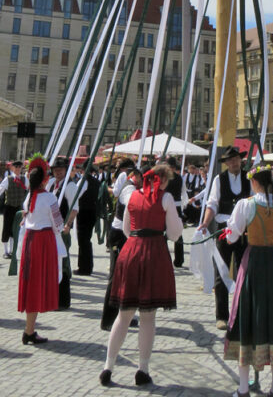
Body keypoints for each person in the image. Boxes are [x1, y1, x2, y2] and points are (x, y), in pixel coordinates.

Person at [224, 164, 273, 397]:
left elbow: (232, 236)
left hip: (255, 263)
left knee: (247, 316)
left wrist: (228, 232)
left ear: (254, 182)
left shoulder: (246, 204)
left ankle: (242, 388)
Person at [100, 162, 182, 387]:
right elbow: (175, 234)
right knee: (147, 316)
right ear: (163, 180)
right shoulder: (165, 198)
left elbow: (126, 229)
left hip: (131, 252)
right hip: (153, 252)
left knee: (124, 314)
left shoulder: (133, 196)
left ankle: (108, 366)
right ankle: (142, 370)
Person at [201, 146, 251, 329]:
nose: (233, 162)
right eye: (230, 160)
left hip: (244, 229)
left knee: (243, 272)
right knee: (221, 272)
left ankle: (241, 313)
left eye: (236, 159)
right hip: (224, 229)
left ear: (240, 160)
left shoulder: (249, 178)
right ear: (226, 163)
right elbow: (212, 203)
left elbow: (254, 201)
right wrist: (206, 223)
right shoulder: (219, 179)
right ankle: (221, 316)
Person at [17, 156, 65, 345]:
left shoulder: (29, 196)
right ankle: (29, 331)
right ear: (45, 179)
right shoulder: (49, 197)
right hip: (44, 241)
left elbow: (26, 215)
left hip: (30, 240)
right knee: (39, 282)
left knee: (31, 282)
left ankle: (29, 329)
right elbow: (58, 224)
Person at [101, 164, 142, 331]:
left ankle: (124, 315)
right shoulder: (129, 188)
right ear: (137, 176)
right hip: (119, 235)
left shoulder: (133, 187)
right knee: (116, 277)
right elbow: (132, 203)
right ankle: (108, 320)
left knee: (127, 277)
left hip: (126, 235)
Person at [47, 156, 82, 309]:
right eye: (55, 170)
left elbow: (74, 208)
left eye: (60, 170)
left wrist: (68, 224)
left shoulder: (70, 186)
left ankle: (63, 300)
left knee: (63, 264)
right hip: (50, 229)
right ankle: (53, 297)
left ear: (66, 171)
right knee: (53, 263)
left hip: (62, 230)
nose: (57, 172)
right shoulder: (52, 184)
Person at [0, 159, 27, 258]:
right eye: (16, 167)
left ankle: (12, 251)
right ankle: (6, 251)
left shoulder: (24, 179)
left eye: (20, 167)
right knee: (6, 228)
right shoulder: (8, 179)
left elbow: (30, 191)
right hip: (9, 207)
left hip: (19, 208)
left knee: (15, 229)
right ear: (12, 168)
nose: (18, 169)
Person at [75, 162, 100, 275]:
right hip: (92, 211)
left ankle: (84, 267)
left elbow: (76, 195)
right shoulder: (96, 181)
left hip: (84, 212)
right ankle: (87, 266)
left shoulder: (83, 181)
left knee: (82, 240)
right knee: (86, 240)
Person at [164, 156, 186, 268]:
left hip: (168, 206)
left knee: (166, 232)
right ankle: (179, 260)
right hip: (176, 206)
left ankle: (172, 259)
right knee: (177, 232)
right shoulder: (179, 178)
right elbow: (184, 193)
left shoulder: (165, 178)